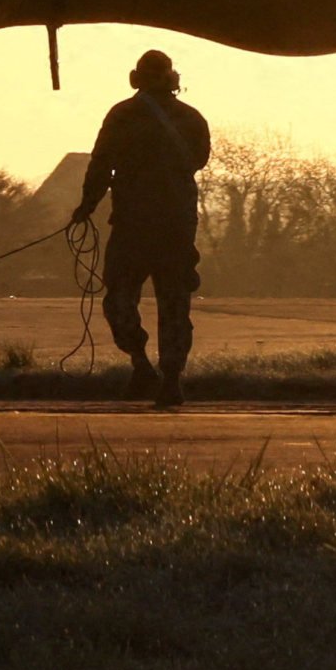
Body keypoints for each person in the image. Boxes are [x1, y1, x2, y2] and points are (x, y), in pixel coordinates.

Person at [70, 48, 212, 406]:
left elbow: (100, 164)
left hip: (133, 226)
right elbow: (199, 161)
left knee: (119, 300)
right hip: (176, 227)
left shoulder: (123, 116)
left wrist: (87, 206)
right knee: (174, 305)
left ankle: (143, 365)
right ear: (172, 79)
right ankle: (168, 379)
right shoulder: (192, 119)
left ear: (136, 79)